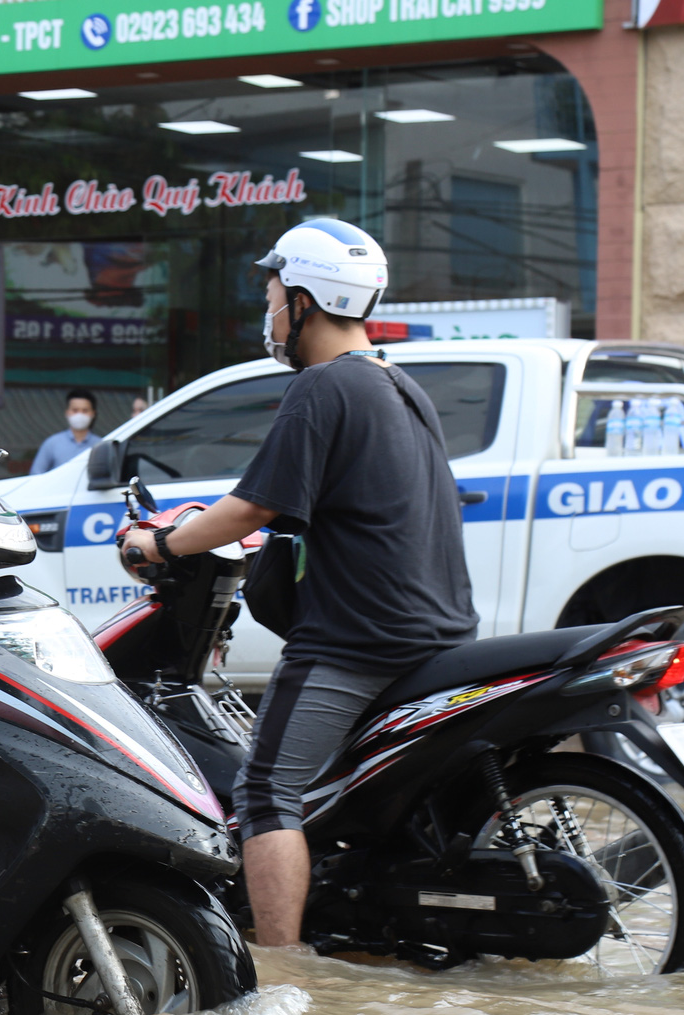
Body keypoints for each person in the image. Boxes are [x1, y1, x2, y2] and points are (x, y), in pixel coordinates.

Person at [121, 219, 476, 949]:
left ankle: (279, 971)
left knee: (263, 793)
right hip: (437, 631)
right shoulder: (401, 387)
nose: (270, 308)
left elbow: (254, 505)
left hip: (359, 641)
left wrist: (161, 541)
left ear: (307, 300)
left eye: (275, 291)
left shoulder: (325, 388)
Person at [29, 388, 102, 475]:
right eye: (75, 410)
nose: (80, 414)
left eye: (85, 411)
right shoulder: (52, 443)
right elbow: (36, 474)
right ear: (67, 412)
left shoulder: (100, 446)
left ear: (93, 413)